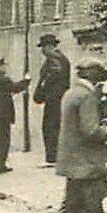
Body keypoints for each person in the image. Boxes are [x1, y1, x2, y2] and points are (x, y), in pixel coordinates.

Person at [35, 56, 107, 213]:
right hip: (88, 164)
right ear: (91, 73)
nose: (102, 76)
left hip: (73, 162)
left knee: (71, 208)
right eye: (99, 72)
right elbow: (90, 130)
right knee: (98, 209)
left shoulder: (71, 93)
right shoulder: (87, 96)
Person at [32, 34, 71, 166]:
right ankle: (55, 156)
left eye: (43, 47)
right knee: (54, 126)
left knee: (50, 127)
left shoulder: (54, 58)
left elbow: (54, 73)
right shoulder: (61, 58)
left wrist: (43, 87)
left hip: (54, 98)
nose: (42, 51)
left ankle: (52, 158)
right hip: (58, 97)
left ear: (49, 46)